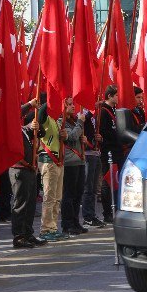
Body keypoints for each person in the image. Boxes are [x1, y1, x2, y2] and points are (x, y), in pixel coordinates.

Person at [11, 101, 48, 248]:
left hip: (30, 169)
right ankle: (19, 236)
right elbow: (15, 115)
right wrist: (30, 104)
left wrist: (34, 128)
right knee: (20, 203)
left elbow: (39, 135)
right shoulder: (12, 125)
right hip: (19, 168)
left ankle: (28, 233)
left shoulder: (25, 130)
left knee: (31, 202)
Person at [37, 96, 69, 242]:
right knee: (49, 197)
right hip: (48, 161)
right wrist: (53, 96)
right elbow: (41, 113)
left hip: (59, 161)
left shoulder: (56, 121)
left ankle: (53, 227)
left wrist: (65, 135)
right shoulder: (45, 119)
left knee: (57, 198)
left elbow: (59, 139)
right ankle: (45, 229)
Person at [60, 98, 87, 236]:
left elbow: (77, 137)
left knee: (78, 194)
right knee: (69, 195)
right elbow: (70, 136)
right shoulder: (61, 121)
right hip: (70, 162)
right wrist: (81, 123)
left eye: (73, 104)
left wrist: (85, 140)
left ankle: (76, 222)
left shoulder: (74, 121)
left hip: (80, 161)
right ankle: (67, 224)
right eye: (69, 104)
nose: (73, 106)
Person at [98, 85, 124, 224]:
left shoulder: (115, 110)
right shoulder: (103, 111)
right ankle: (107, 212)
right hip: (109, 152)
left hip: (118, 151)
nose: (119, 97)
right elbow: (104, 132)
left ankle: (116, 210)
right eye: (117, 95)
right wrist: (115, 136)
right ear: (110, 96)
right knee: (108, 182)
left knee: (116, 182)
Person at [81, 112, 105, 228]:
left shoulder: (94, 117)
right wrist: (92, 111)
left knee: (94, 189)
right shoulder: (83, 112)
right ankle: (87, 217)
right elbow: (80, 120)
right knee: (88, 188)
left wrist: (99, 138)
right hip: (87, 154)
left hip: (96, 154)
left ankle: (92, 214)